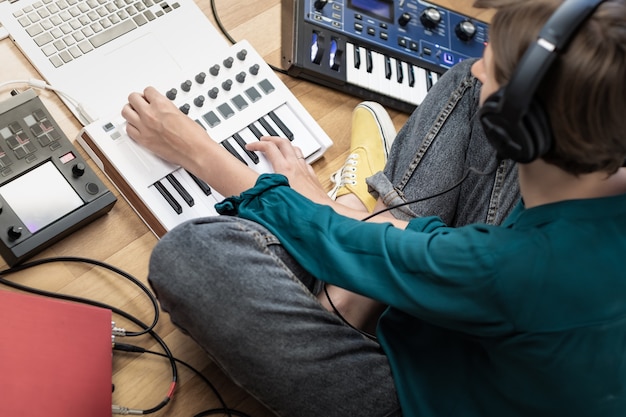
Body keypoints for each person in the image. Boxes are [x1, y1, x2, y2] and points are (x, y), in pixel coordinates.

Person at [120, 0, 626, 416]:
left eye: (493, 67)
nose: (477, 62)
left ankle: (350, 282)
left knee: (191, 256)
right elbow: (457, 256)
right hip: (493, 321)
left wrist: (197, 149)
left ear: (521, 129)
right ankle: (366, 251)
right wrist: (331, 210)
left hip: (420, 394)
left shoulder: (512, 268)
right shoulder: (602, 174)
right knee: (463, 88)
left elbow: (468, 264)